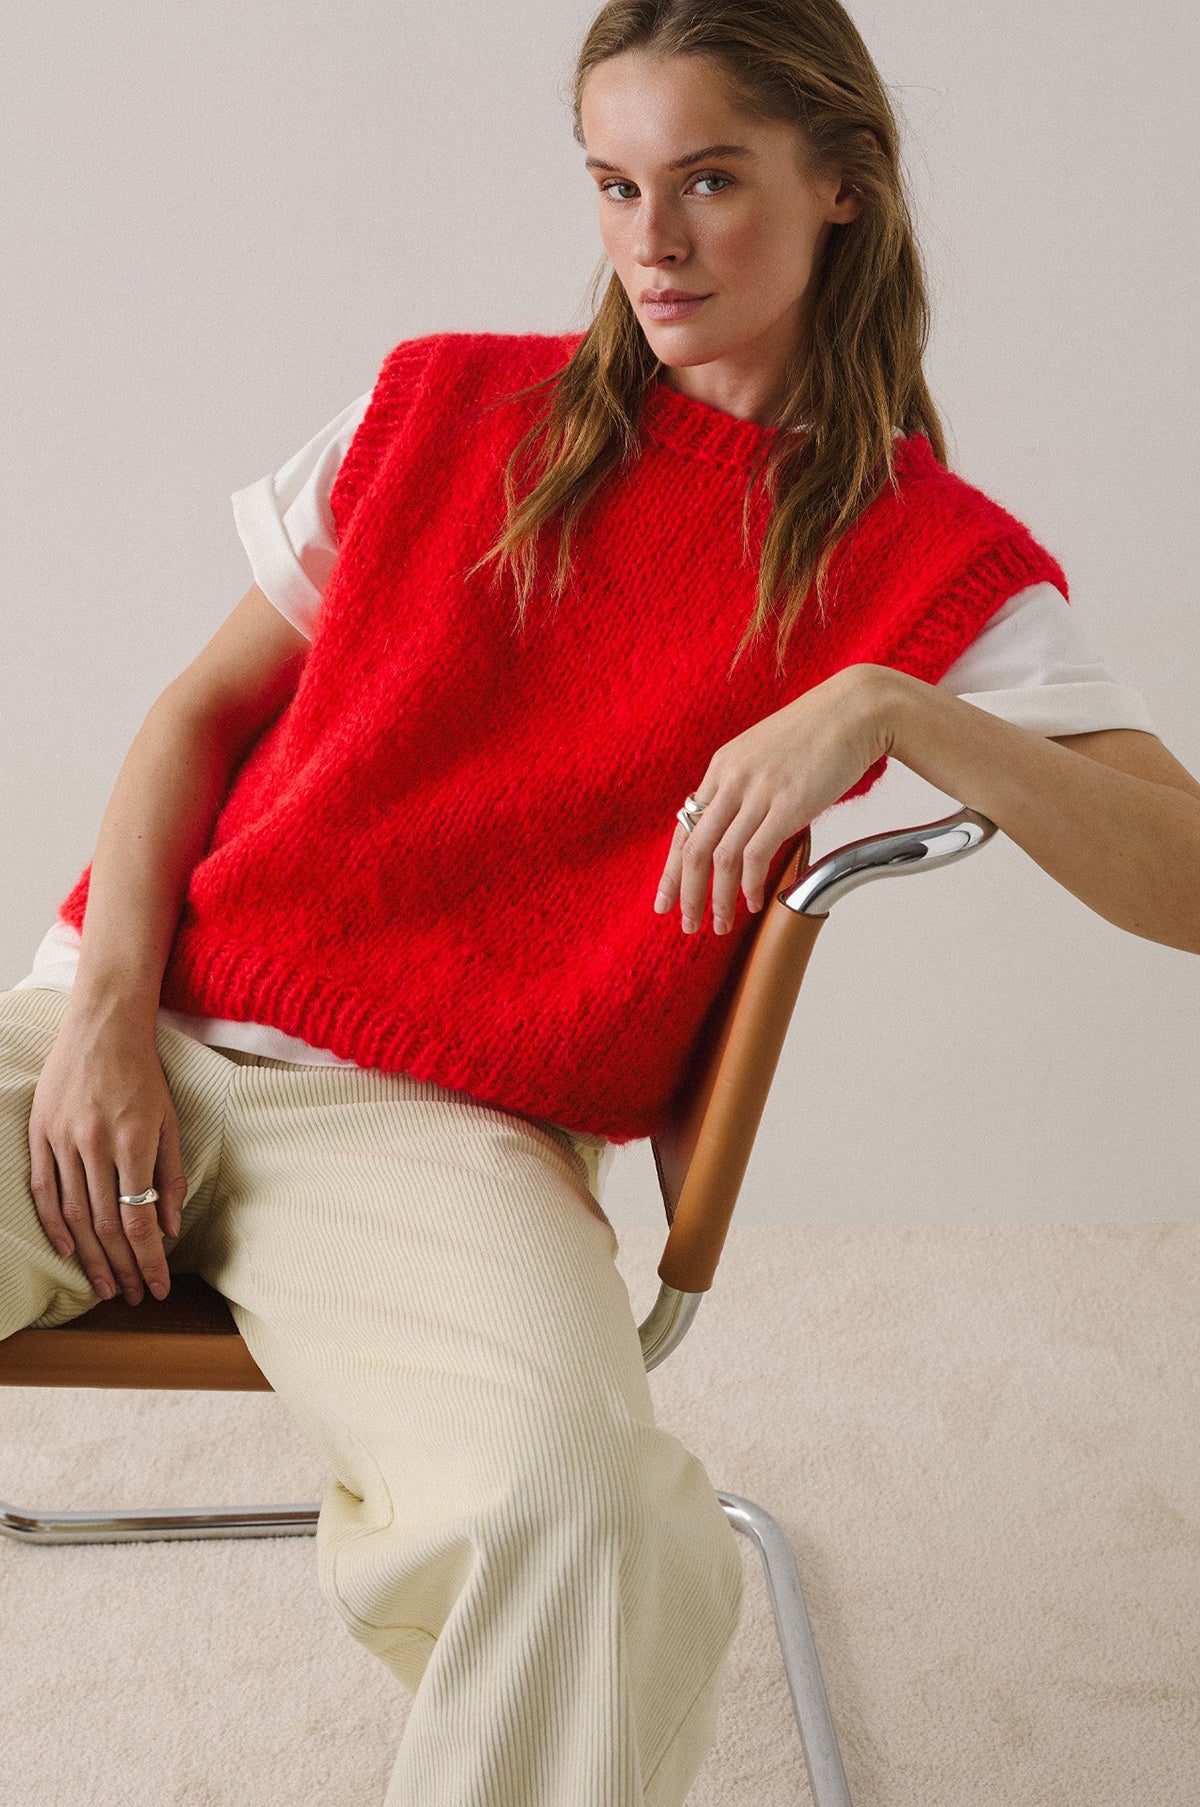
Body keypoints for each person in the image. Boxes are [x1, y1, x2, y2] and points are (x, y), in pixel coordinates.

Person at [4, 2, 1199, 1802]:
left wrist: (897, 708)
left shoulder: (928, 560)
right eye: (616, 184)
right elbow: (196, 716)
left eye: (710, 181)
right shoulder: (440, 404)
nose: (653, 242)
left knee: (590, 1528)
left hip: (436, 1138)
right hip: (132, 1014)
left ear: (841, 185)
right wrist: (103, 1016)